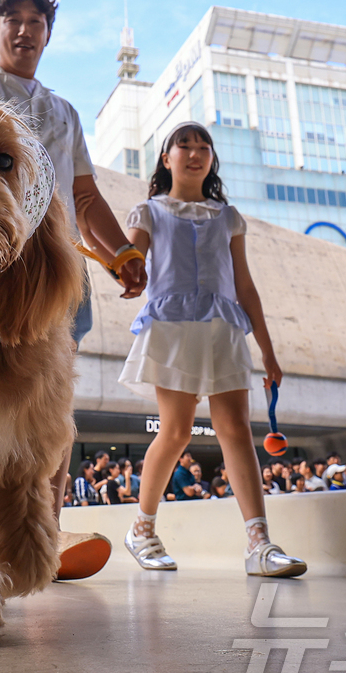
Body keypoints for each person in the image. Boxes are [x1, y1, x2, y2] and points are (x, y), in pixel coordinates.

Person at [0, 0, 147, 581]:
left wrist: (120, 254)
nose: (24, 29)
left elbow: (84, 193)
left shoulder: (65, 112)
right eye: (13, 18)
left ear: (48, 35)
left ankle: (44, 535)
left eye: (36, 21)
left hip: (57, 270)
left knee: (51, 404)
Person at [120, 122, 305, 577]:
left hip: (223, 328)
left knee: (236, 429)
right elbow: (130, 261)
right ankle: (142, 529)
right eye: (183, 145)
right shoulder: (148, 212)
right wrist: (125, 270)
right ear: (166, 159)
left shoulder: (228, 217)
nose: (194, 152)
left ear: (211, 160)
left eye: (203, 146)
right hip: (171, 327)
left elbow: (245, 285)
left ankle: (259, 544)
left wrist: (268, 351)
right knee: (177, 431)